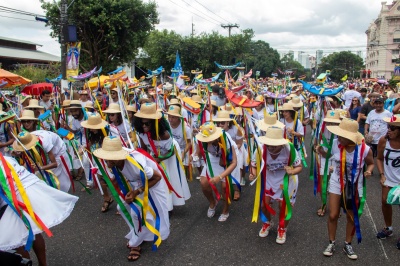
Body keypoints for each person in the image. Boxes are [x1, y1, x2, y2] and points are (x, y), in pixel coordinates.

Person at [93, 136, 169, 261]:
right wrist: (111, 182)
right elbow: (122, 175)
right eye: (106, 157)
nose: (107, 161)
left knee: (136, 213)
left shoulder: (136, 164)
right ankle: (139, 233)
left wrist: (136, 192)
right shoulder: (113, 160)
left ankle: (136, 244)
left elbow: (157, 177)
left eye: (109, 157)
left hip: (152, 186)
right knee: (121, 207)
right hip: (137, 185)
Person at [0, 153, 78, 266]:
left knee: (17, 240)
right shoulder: (6, 157)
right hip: (31, 190)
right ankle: (43, 264)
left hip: (17, 197)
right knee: (34, 231)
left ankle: (28, 263)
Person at [318, 119, 374, 260]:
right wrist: (320, 150)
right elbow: (329, 155)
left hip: (355, 185)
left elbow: (371, 163)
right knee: (333, 214)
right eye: (339, 135)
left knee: (352, 216)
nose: (339, 138)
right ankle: (331, 242)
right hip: (337, 182)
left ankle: (347, 244)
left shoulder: (365, 149)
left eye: (343, 136)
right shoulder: (336, 144)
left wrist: (369, 171)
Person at [249, 126, 302, 244]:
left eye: (274, 145)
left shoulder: (289, 148)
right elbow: (253, 164)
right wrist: (252, 173)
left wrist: (292, 171)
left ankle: (282, 228)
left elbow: (299, 167)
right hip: (269, 179)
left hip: (286, 180)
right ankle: (267, 222)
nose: (271, 148)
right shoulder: (260, 149)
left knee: (283, 206)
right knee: (264, 205)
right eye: (269, 145)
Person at [134, 103, 191, 210]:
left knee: (167, 178)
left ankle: (168, 208)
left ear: (154, 122)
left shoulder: (164, 135)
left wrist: (159, 159)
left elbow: (171, 151)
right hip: (155, 156)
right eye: (142, 123)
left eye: (147, 123)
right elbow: (144, 149)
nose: (144, 126)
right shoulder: (141, 132)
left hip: (169, 154)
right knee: (156, 179)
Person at [195, 122, 237, 222]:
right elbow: (199, 153)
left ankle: (226, 209)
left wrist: (220, 176)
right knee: (204, 183)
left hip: (227, 159)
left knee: (225, 186)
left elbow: (234, 162)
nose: (207, 141)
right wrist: (195, 157)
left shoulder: (226, 139)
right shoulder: (201, 139)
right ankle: (213, 202)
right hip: (212, 159)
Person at [80, 113, 115, 212]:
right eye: (90, 127)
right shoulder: (92, 134)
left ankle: (122, 201)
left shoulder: (109, 132)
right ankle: (107, 199)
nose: (91, 129)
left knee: (114, 180)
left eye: (93, 127)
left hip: (110, 159)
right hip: (99, 161)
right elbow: (90, 144)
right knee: (101, 180)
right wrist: (82, 149)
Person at [376, 114, 400, 249]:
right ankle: (388, 227)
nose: (389, 130)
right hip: (389, 179)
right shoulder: (383, 141)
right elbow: (379, 159)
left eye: (393, 128)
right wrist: (382, 174)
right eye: (388, 127)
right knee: (385, 202)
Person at [213, 110, 242, 200]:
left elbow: (240, 144)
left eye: (222, 123)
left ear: (228, 122)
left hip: (236, 149)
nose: (220, 125)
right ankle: (224, 189)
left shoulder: (236, 129)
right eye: (218, 123)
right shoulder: (215, 130)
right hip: (222, 152)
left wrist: (230, 149)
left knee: (237, 165)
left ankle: (237, 189)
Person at [167, 105, 192, 178]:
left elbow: (189, 142)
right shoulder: (167, 125)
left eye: (173, 117)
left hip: (183, 149)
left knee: (183, 171)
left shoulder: (185, 127)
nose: (170, 119)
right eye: (169, 116)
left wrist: (183, 153)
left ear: (178, 117)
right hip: (171, 149)